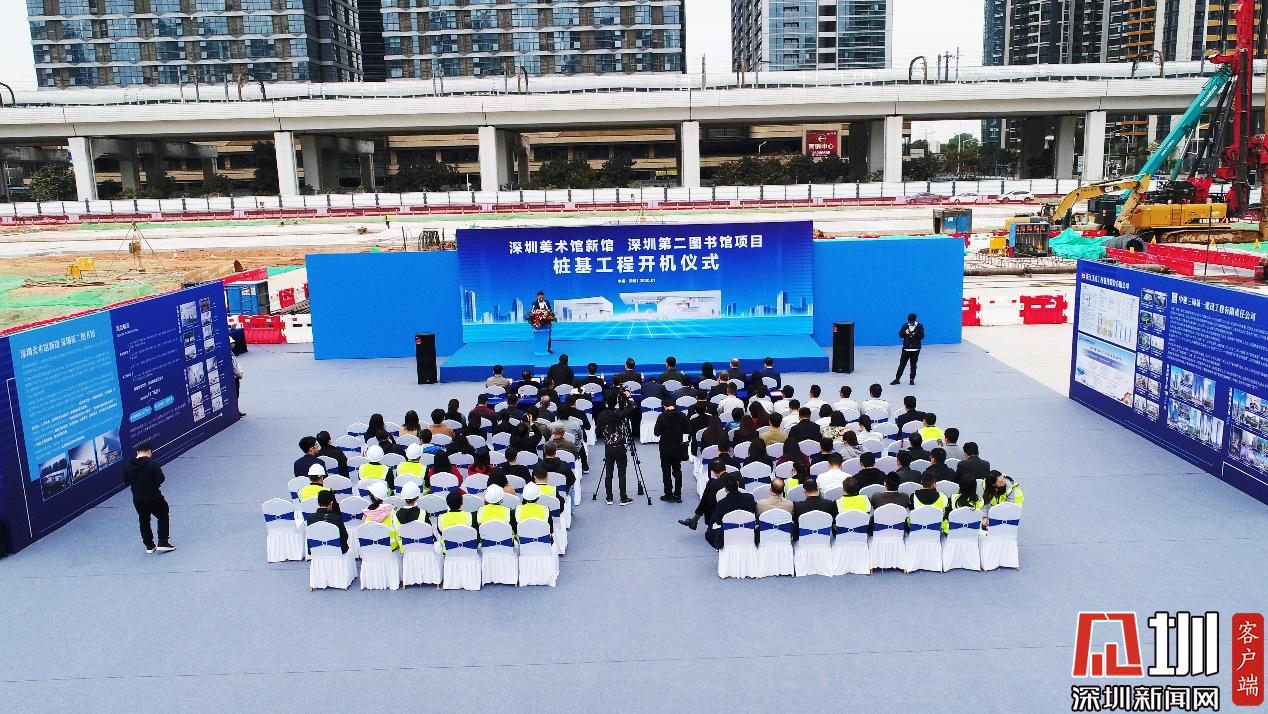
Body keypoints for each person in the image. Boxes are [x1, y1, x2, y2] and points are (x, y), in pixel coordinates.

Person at [123, 442, 174, 554]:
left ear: (137, 452)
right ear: (149, 452)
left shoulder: (127, 466)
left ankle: (149, 545)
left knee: (144, 520)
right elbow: (161, 479)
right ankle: (163, 542)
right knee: (163, 515)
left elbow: (126, 482)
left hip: (137, 499)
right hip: (154, 497)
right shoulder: (153, 464)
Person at [596, 388, 639, 505]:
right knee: (622, 473)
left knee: (608, 473)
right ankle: (623, 498)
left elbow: (597, 432)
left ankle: (609, 497)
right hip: (619, 447)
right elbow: (633, 406)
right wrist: (628, 396)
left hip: (608, 447)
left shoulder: (601, 415)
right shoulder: (619, 414)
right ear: (616, 402)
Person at [705, 473, 756, 549]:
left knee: (708, 534)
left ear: (725, 489)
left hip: (728, 534)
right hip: (748, 532)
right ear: (738, 484)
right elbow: (752, 512)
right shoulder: (750, 498)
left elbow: (718, 522)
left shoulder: (721, 503)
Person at [653, 398, 689, 502]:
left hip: (665, 448)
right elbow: (688, 429)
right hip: (678, 447)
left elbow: (656, 433)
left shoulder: (662, 416)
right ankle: (678, 494)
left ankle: (668, 495)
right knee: (677, 471)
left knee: (666, 472)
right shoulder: (682, 415)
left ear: (664, 406)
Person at [679, 459, 728, 530]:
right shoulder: (738, 476)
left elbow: (710, 504)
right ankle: (694, 520)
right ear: (725, 468)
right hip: (737, 506)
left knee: (706, 498)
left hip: (718, 510)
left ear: (714, 472)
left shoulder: (713, 484)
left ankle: (697, 521)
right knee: (706, 497)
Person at [892, 312, 925, 385]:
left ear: (915, 320)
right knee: (902, 364)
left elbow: (922, 336)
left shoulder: (919, 326)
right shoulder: (905, 325)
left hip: (915, 349)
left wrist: (915, 333)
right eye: (910, 322)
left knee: (913, 365)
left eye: (912, 322)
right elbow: (900, 335)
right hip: (906, 349)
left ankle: (912, 380)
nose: (911, 323)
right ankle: (897, 379)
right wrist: (905, 332)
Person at [231, 352, 245, 417]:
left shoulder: (232, 353)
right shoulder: (228, 353)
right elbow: (233, 366)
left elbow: (236, 363)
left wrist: (241, 372)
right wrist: (238, 374)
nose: (234, 346)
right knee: (234, 395)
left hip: (236, 377)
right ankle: (234, 412)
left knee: (237, 395)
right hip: (232, 378)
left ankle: (236, 411)